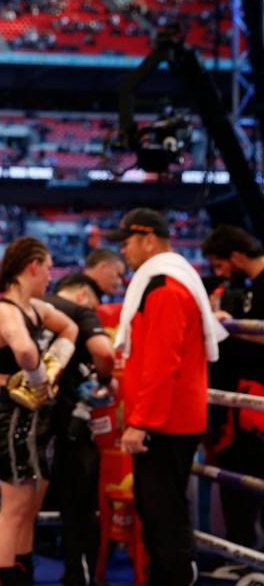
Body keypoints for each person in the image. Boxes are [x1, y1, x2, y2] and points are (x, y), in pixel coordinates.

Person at [105, 208, 227, 585]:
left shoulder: (164, 289)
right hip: (172, 417)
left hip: (166, 421)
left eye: (127, 242)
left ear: (149, 240)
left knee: (162, 513)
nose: (123, 251)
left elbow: (162, 363)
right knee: (162, 510)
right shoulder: (168, 283)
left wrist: (140, 423)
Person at [0, 237, 78, 586]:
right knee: (14, 510)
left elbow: (71, 328)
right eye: (49, 269)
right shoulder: (4, 311)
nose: (50, 277)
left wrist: (51, 369)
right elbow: (24, 351)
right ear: (33, 266)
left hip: (38, 419)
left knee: (30, 508)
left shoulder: (36, 309)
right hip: (14, 418)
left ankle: (22, 577)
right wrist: (40, 378)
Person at [43, 273, 115, 585]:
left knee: (28, 500)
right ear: (84, 294)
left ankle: (17, 569)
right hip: (72, 417)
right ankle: (79, 573)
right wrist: (104, 379)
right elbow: (104, 352)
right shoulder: (79, 311)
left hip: (34, 415)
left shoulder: (34, 307)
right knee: (79, 505)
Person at [200, 225, 264, 574]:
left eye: (221, 265)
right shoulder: (248, 287)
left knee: (252, 474)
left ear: (236, 256)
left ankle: (251, 558)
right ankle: (242, 556)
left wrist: (233, 325)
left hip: (258, 399)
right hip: (242, 398)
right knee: (240, 475)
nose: (220, 273)